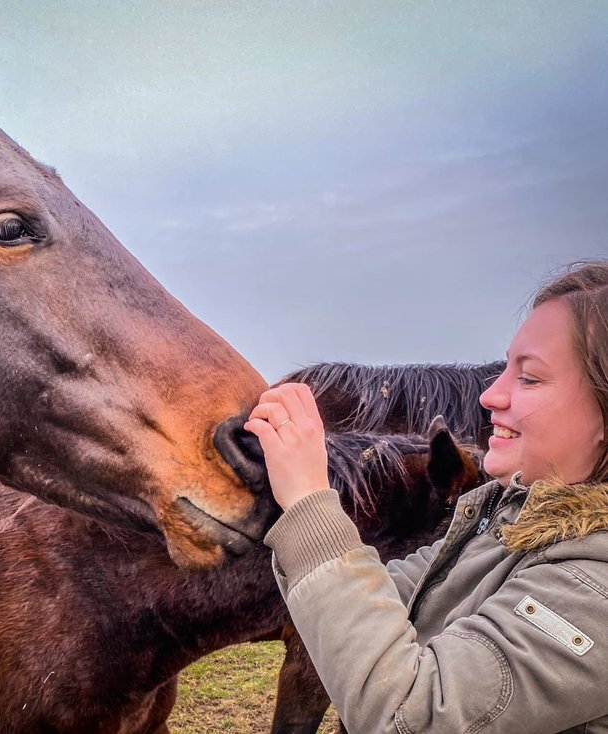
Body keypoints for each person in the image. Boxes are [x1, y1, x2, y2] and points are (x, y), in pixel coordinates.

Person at [246, 260, 608, 733]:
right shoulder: (503, 522)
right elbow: (377, 600)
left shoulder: (594, 584)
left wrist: (309, 502)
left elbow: (415, 716)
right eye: (504, 371)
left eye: (529, 378)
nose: (489, 397)